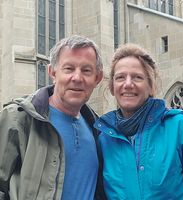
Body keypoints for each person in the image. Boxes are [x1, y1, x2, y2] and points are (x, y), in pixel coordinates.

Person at [0, 35, 107, 200]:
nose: (77, 78)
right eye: (69, 68)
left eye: (86, 70)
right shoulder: (18, 119)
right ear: (52, 72)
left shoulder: (99, 131)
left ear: (97, 78)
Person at [94, 43, 183, 199]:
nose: (128, 84)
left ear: (151, 86)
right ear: (111, 87)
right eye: (120, 77)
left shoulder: (180, 128)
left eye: (137, 77)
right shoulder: (104, 140)